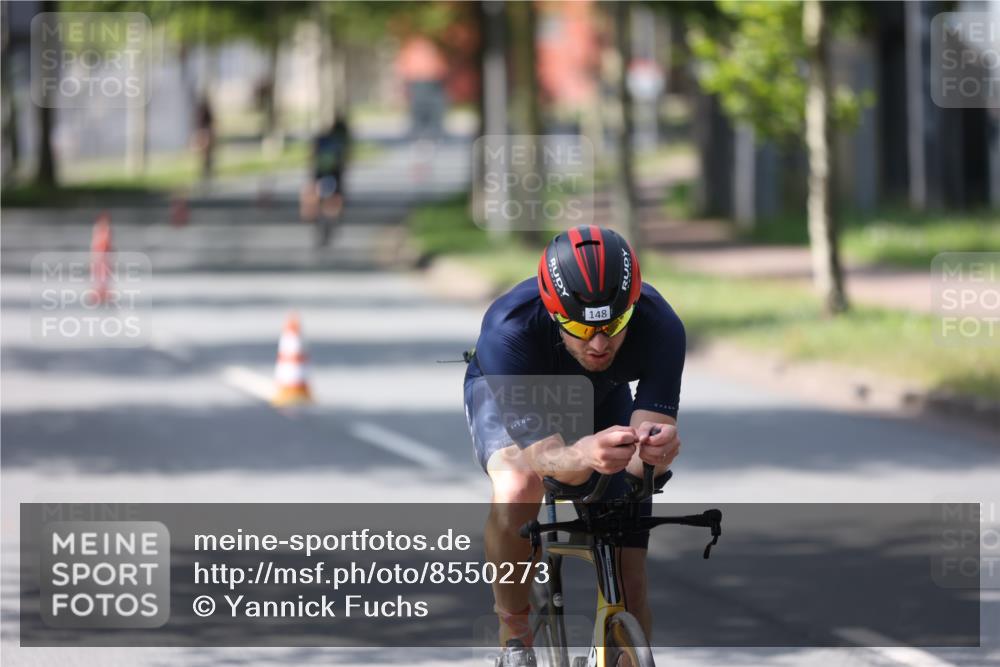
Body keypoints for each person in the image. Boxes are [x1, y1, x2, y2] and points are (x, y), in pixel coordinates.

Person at [463, 226, 686, 667]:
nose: (599, 344)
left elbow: (647, 454)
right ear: (553, 313)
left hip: (601, 397)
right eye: (582, 328)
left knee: (630, 579)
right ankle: (514, 635)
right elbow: (547, 460)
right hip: (512, 394)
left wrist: (655, 455)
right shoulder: (510, 330)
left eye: (613, 326)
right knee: (520, 485)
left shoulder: (660, 325)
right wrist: (584, 454)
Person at [300, 116, 350, 246]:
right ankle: (331, 220)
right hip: (334, 174)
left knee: (318, 199)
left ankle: (318, 220)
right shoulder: (339, 142)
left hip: (320, 174)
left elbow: (312, 157)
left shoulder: (320, 140)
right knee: (334, 200)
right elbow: (343, 160)